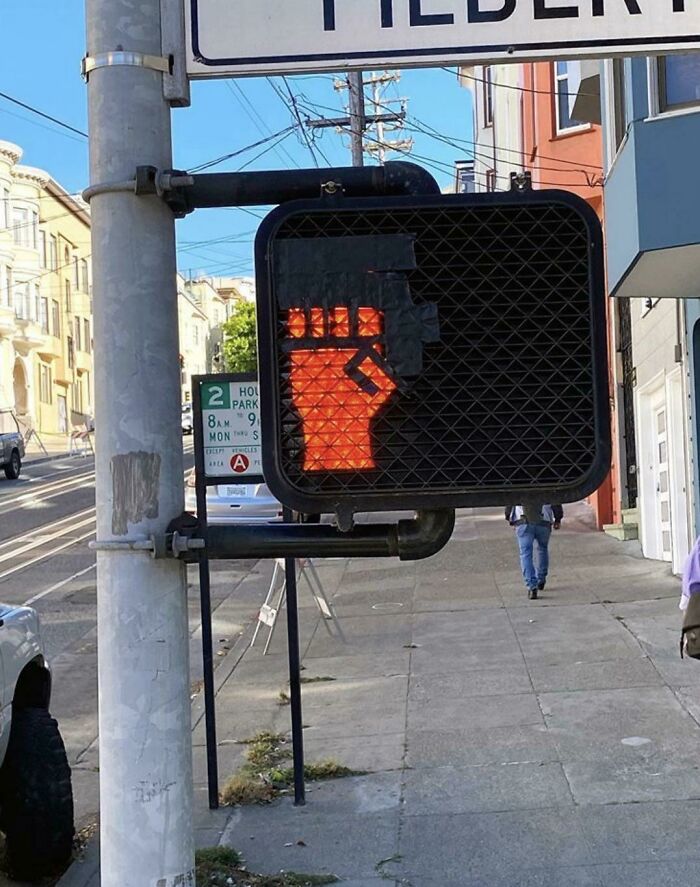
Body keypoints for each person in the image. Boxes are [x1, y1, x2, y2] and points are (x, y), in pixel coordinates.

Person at [505, 503, 563, 600]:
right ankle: (541, 579)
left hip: (523, 521)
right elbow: (555, 498)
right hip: (544, 519)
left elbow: (511, 499)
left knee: (525, 554)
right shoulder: (546, 486)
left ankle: (532, 586)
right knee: (542, 548)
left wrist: (509, 517)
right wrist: (558, 518)